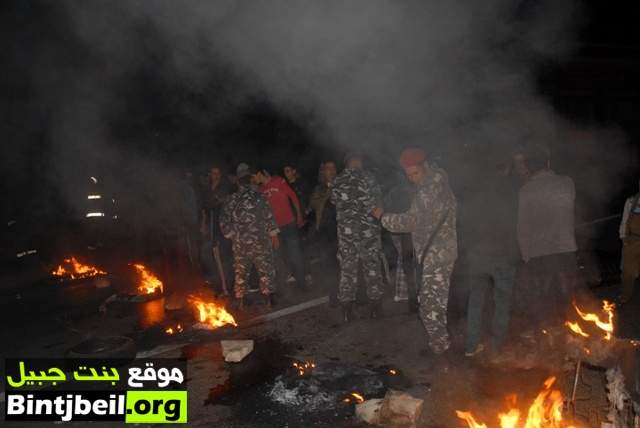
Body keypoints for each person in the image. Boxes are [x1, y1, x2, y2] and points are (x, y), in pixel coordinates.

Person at [372, 148, 457, 355]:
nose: (412, 179)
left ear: (425, 166)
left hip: (436, 255)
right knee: (432, 302)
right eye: (408, 176)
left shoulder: (429, 190)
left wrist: (382, 216)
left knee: (429, 305)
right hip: (438, 253)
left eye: (415, 174)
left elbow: (410, 221)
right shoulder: (438, 181)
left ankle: (442, 351)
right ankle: (440, 343)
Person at [462, 157, 520, 357]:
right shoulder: (510, 191)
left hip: (477, 255)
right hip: (501, 254)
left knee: (476, 299)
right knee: (502, 301)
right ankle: (497, 346)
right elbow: (514, 224)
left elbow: (465, 223)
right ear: (505, 168)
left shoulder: (474, 191)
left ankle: (471, 345)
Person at [517, 146, 578, 331]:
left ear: (530, 167)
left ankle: (546, 331)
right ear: (548, 163)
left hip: (538, 251)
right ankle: (569, 329)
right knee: (566, 292)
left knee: (542, 294)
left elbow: (522, 225)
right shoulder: (567, 182)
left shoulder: (526, 190)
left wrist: (525, 254)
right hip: (564, 247)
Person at [331, 152, 384, 322]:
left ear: (346, 164)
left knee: (348, 271)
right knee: (372, 268)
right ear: (358, 161)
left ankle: (347, 311)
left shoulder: (337, 181)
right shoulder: (369, 178)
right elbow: (378, 202)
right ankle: (375, 309)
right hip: (368, 232)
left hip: (347, 235)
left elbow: (333, 201)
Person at [220, 163, 279, 308]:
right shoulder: (236, 199)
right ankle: (247, 300)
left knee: (255, 270)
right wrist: (232, 234)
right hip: (249, 242)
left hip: (252, 242)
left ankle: (263, 298)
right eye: (244, 178)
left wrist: (273, 234)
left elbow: (267, 215)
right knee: (248, 272)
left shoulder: (255, 197)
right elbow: (223, 220)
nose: (246, 180)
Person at [253, 168, 310, 288]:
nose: (253, 179)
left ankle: (302, 282)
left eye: (254, 176)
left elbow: (293, 196)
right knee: (277, 256)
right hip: (275, 229)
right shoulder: (260, 190)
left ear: (259, 173)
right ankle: (284, 284)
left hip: (289, 223)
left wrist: (299, 215)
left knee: (295, 253)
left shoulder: (278, 180)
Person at [200, 165, 233, 294]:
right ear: (210, 174)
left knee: (224, 255)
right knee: (210, 255)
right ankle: (219, 285)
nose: (216, 175)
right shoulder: (206, 189)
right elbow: (204, 209)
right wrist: (203, 224)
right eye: (214, 173)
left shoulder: (225, 188)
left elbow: (228, 204)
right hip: (211, 225)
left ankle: (227, 287)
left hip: (223, 226)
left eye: (218, 173)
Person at [309, 160, 339, 301]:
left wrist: (334, 187)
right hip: (325, 230)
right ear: (323, 171)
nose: (331, 171)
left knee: (345, 262)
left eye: (333, 168)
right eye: (328, 168)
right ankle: (333, 293)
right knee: (328, 262)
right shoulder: (319, 188)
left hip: (342, 230)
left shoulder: (343, 183)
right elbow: (314, 203)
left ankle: (348, 292)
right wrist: (329, 189)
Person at [618, 180, 640, 304]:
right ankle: (625, 297)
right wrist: (623, 238)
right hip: (631, 240)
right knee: (627, 272)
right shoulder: (631, 201)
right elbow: (625, 220)